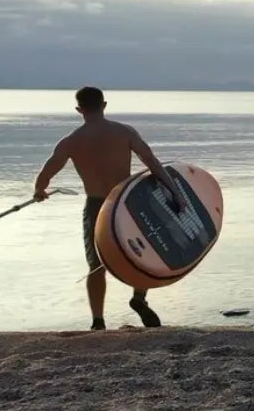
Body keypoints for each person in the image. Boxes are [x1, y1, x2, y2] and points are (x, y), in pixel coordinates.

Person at [33, 87, 187, 330]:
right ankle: (138, 298)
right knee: (146, 252)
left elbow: (47, 173)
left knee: (96, 264)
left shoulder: (71, 141)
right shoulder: (124, 132)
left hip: (97, 206)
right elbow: (152, 162)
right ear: (104, 105)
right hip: (125, 203)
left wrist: (39, 191)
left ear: (79, 110)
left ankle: (98, 321)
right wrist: (175, 192)